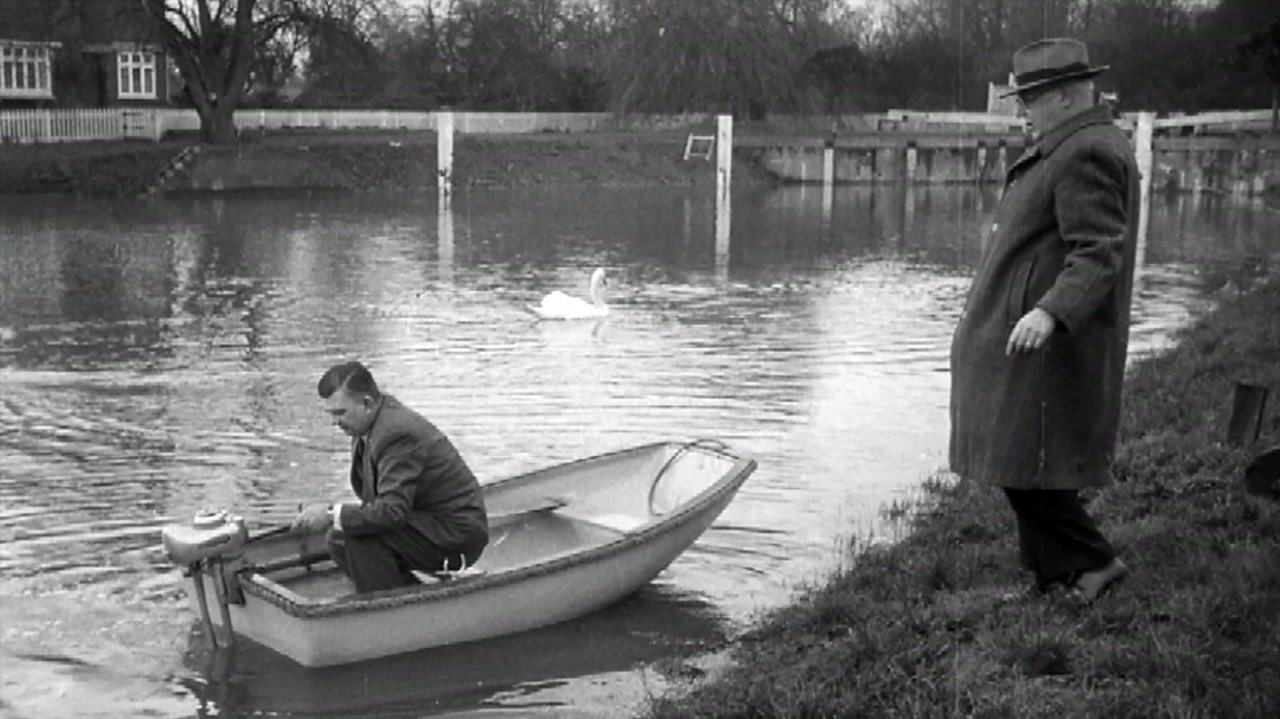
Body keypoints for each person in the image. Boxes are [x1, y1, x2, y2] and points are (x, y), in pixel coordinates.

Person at [949, 38, 1136, 605]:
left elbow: (1098, 248)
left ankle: (1095, 562)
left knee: (1028, 460)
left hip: (1044, 339)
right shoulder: (1068, 146)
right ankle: (1053, 573)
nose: (1023, 110)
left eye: (1030, 98)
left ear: (1063, 96)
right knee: (1022, 460)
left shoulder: (1085, 152)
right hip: (1018, 332)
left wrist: (1050, 312)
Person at [293, 361, 489, 593]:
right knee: (338, 540)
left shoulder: (396, 433)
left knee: (358, 539)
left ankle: (391, 612)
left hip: (455, 535)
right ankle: (406, 594)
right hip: (427, 522)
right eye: (331, 414)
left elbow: (393, 512)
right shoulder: (368, 425)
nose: (334, 422)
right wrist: (334, 516)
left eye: (340, 413)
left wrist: (329, 514)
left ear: (366, 403)